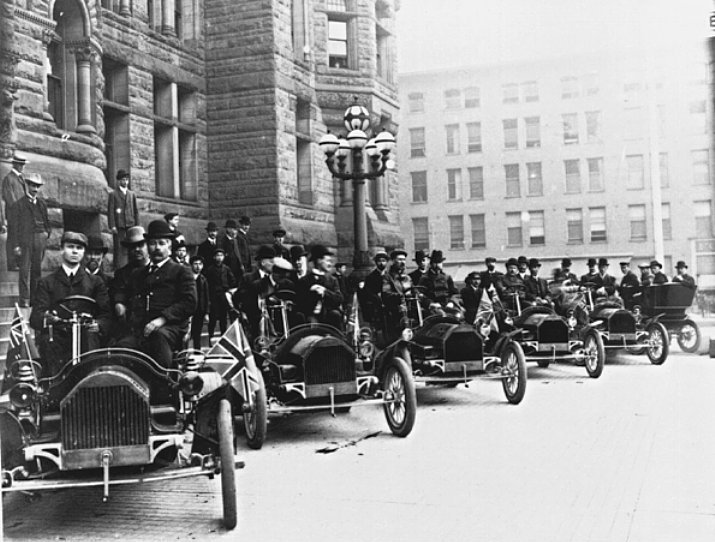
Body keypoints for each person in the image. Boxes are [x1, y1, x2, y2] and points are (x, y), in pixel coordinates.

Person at [114, 220, 197, 368]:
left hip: (170, 328)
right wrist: (120, 303)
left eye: (162, 243)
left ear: (169, 247)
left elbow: (189, 302)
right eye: (152, 243)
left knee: (158, 339)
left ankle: (164, 383)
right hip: (142, 329)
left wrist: (162, 319)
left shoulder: (181, 271)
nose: (157, 248)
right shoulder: (138, 274)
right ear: (148, 246)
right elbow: (125, 293)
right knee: (121, 348)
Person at [30, 232, 110, 376]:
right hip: (58, 335)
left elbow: (106, 314)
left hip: (86, 334)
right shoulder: (46, 282)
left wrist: (98, 324)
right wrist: (48, 318)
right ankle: (54, 388)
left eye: (79, 248)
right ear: (61, 249)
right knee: (47, 342)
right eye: (70, 247)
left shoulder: (95, 282)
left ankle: (89, 384)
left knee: (91, 339)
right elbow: (35, 317)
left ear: (83, 252)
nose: (74, 251)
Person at [7, 173, 50, 307]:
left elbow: (46, 221)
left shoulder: (42, 204)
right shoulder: (19, 205)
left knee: (37, 270)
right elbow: (13, 228)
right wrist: (16, 246)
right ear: (27, 185)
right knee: (25, 270)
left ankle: (34, 299)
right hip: (25, 240)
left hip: (40, 239)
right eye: (32, 185)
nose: (35, 189)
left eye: (37, 186)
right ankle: (24, 299)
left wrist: (47, 233)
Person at [109, 226, 149, 343]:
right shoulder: (123, 273)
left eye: (140, 245)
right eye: (132, 247)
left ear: (147, 246)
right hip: (131, 324)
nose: (136, 249)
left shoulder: (156, 269)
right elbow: (118, 291)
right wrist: (119, 303)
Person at [296, 245, 344, 330]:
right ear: (319, 261)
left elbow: (339, 299)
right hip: (311, 317)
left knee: (335, 315)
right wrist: (311, 292)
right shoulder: (305, 281)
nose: (330, 264)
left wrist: (324, 292)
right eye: (328, 261)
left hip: (329, 318)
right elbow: (300, 303)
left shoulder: (332, 280)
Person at [1, 152, 28, 269]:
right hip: (13, 214)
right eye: (20, 164)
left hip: (22, 214)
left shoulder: (22, 178)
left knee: (21, 237)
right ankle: (12, 264)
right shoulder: (9, 179)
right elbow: (9, 198)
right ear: (14, 164)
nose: (22, 166)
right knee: (13, 238)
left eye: (23, 164)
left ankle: (19, 262)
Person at [107, 169, 139, 269]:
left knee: (131, 247)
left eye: (126, 179)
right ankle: (119, 268)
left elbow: (136, 211)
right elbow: (111, 211)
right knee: (119, 248)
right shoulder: (113, 194)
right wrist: (112, 225)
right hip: (119, 225)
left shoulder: (132, 194)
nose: (125, 182)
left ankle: (132, 268)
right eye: (123, 180)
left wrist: (137, 226)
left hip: (131, 225)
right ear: (118, 181)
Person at [204, 247, 236, 339]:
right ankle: (210, 335)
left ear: (224, 257)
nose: (219, 257)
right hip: (213, 295)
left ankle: (224, 335)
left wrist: (229, 289)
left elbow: (232, 280)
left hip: (223, 294)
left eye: (221, 255)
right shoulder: (210, 269)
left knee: (223, 316)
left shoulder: (226, 269)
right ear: (214, 257)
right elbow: (206, 282)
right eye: (217, 255)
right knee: (213, 317)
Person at [362, 250, 390, 326]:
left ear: (387, 262)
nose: (381, 263)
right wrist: (378, 298)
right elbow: (368, 292)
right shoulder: (370, 277)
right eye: (379, 261)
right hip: (376, 307)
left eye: (384, 261)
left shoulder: (390, 276)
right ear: (376, 262)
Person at [189, 255, 210, 350]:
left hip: (199, 310)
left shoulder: (203, 279)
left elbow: (206, 297)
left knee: (197, 333)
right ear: (191, 265)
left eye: (200, 264)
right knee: (188, 333)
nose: (198, 266)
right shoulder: (187, 278)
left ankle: (197, 351)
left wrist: (206, 312)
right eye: (195, 264)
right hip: (188, 310)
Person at [220, 219, 244, 283]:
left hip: (239, 271)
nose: (234, 231)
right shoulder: (222, 242)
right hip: (228, 271)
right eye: (232, 229)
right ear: (228, 229)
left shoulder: (237, 241)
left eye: (235, 229)